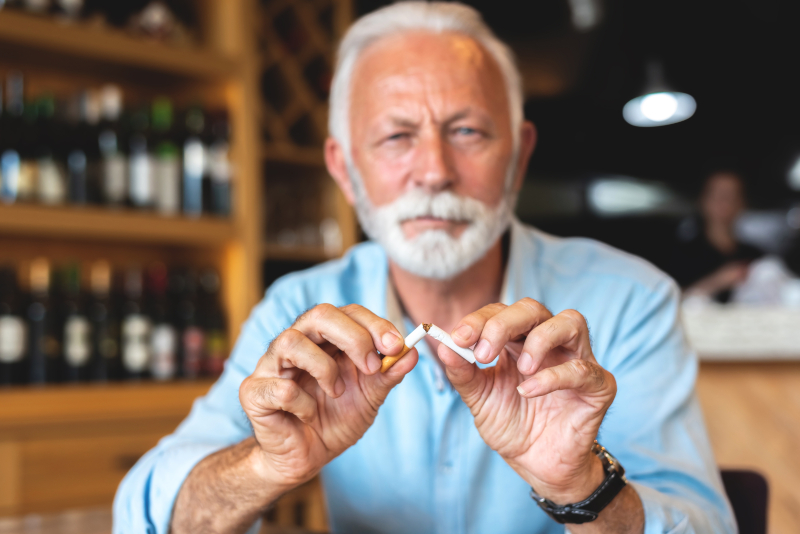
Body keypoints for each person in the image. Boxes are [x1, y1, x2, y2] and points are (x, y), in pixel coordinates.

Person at [114, 3, 735, 533]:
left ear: (518, 159)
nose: (434, 170)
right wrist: (266, 464)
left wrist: (583, 485)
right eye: (396, 137)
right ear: (345, 171)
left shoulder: (629, 299)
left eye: (467, 131)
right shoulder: (295, 308)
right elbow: (141, 513)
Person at [670, 170, 762, 302]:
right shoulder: (680, 255)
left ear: (742, 203)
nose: (724, 202)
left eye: (732, 196)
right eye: (717, 195)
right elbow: (669, 300)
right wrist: (716, 282)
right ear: (702, 200)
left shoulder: (756, 256)